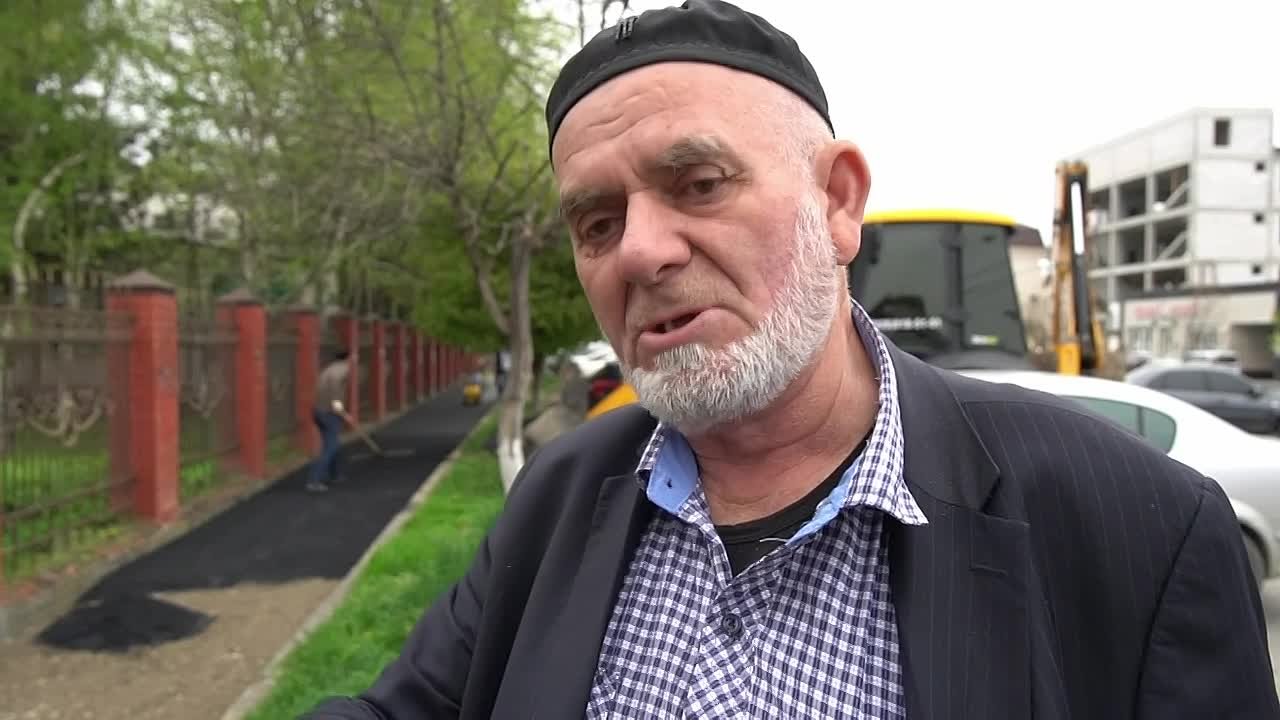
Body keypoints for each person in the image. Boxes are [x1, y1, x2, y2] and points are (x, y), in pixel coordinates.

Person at [303, 1, 1278, 718]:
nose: (640, 251)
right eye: (597, 222)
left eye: (698, 183)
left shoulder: (1139, 534)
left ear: (838, 202)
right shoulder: (559, 494)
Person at [308, 348, 352, 493]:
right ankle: (314, 481)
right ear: (349, 358)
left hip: (318, 411)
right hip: (328, 413)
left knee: (332, 443)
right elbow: (335, 391)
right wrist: (342, 411)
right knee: (331, 446)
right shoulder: (341, 370)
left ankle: (335, 474)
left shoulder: (329, 369)